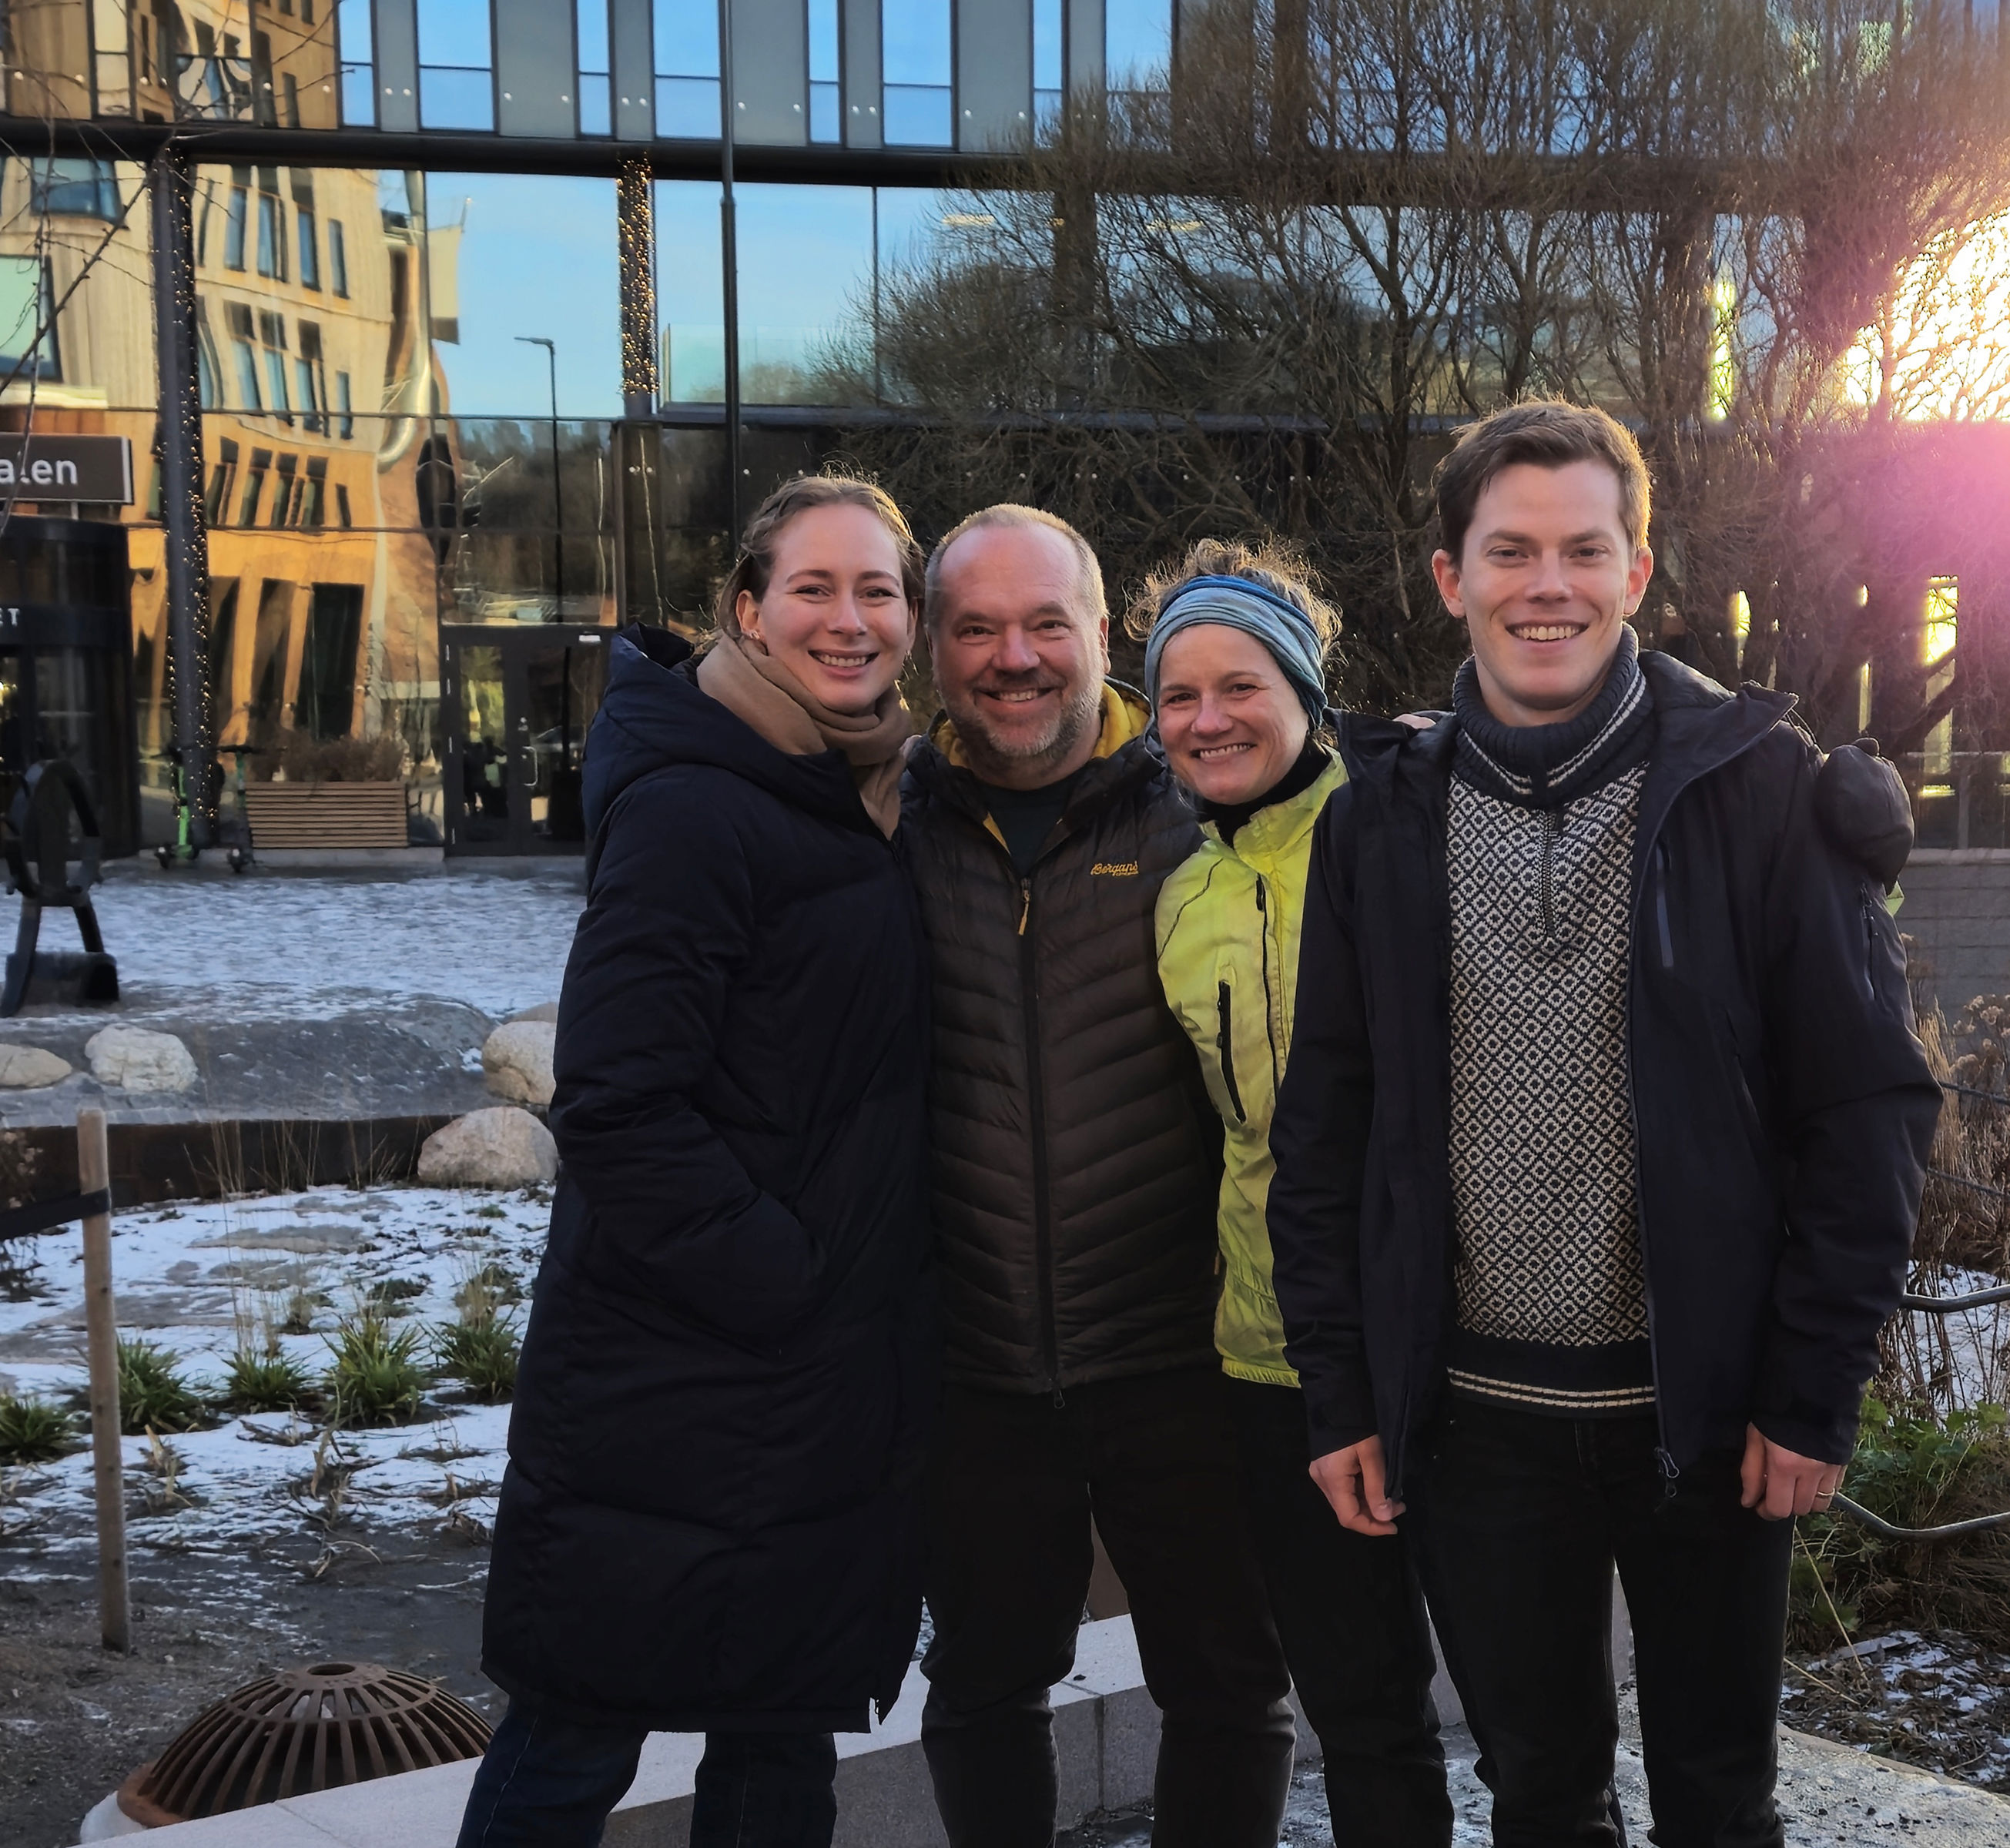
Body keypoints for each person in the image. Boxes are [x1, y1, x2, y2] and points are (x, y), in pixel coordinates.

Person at [1266, 402, 1943, 1848]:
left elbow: (1869, 1104)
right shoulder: (1378, 815)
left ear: (1639, 573)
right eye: (1509, 551)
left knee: (1717, 1801)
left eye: (1585, 548)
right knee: (1541, 1795)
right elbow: (1324, 1125)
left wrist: (1812, 1388)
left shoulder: (1760, 788)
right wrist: (1343, 1396)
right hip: (1475, 1431)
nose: (1547, 585)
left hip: (1705, 1421)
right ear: (1449, 577)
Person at [462, 476, 938, 1848]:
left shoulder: (860, 791)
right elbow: (615, 1104)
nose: (849, 622)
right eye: (814, 589)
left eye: (878, 592)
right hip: (674, 1381)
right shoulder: (694, 803)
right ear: (746, 609)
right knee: (576, 1736)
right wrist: (790, 1277)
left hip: (810, 1395)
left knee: (779, 1747)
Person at [901, 506, 1295, 1848]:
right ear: (934, 650)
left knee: (1230, 1690)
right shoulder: (889, 827)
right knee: (980, 1690)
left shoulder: (1201, 813)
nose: (1014, 657)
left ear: (1102, 637)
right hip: (979, 1369)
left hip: (1179, 1359)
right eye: (977, 628)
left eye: (1044, 624)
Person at [1143, 538, 1455, 1848]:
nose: (1208, 718)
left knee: (1527, 1714)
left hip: (1456, 1347)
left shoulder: (1414, 823)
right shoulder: (1182, 895)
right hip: (1278, 1366)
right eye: (1177, 695)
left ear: (1310, 695)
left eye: (1242, 684)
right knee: (1360, 1703)